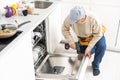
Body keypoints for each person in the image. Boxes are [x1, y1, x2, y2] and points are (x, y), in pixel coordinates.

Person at [62, 6, 106, 76]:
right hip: (83, 37)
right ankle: (75, 45)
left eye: (75, 21)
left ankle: (95, 66)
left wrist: (89, 48)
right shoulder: (70, 17)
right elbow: (64, 29)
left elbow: (98, 35)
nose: (73, 22)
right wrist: (71, 42)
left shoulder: (93, 19)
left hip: (96, 34)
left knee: (102, 46)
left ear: (82, 18)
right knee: (86, 53)